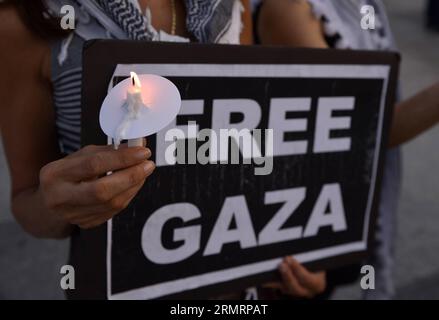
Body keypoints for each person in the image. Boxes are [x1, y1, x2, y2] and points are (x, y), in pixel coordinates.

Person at [0, 0, 327, 300]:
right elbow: (27, 200)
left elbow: (243, 156)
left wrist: (293, 249)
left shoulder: (230, 7)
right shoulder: (27, 19)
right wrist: (59, 205)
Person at [254, 0, 439, 299]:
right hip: (298, 219)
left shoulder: (362, 6)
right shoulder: (290, 9)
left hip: (333, 205)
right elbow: (359, 131)